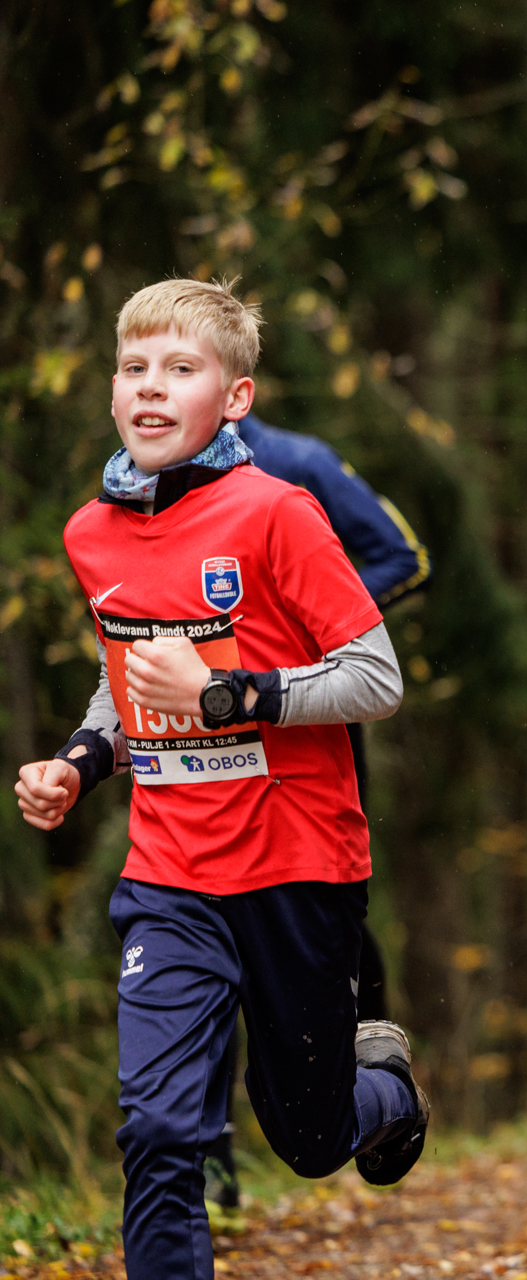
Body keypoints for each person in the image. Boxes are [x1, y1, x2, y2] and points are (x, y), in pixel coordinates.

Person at [12, 279, 428, 1280]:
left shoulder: (279, 512)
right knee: (158, 1129)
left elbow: (377, 678)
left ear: (235, 398)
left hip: (299, 868)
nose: (151, 387)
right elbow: (122, 681)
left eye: (181, 368)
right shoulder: (90, 533)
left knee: (310, 1139)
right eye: (134, 367)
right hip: (171, 874)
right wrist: (80, 760)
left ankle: (387, 1088)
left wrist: (230, 695)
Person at [200, 412, 433, 1208]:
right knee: (200, 918)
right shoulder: (145, 486)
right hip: (201, 735)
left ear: (236, 385)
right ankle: (210, 1153)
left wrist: (311, 627)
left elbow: (405, 556)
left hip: (309, 715)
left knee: (312, 904)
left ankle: (362, 1066)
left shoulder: (298, 464)